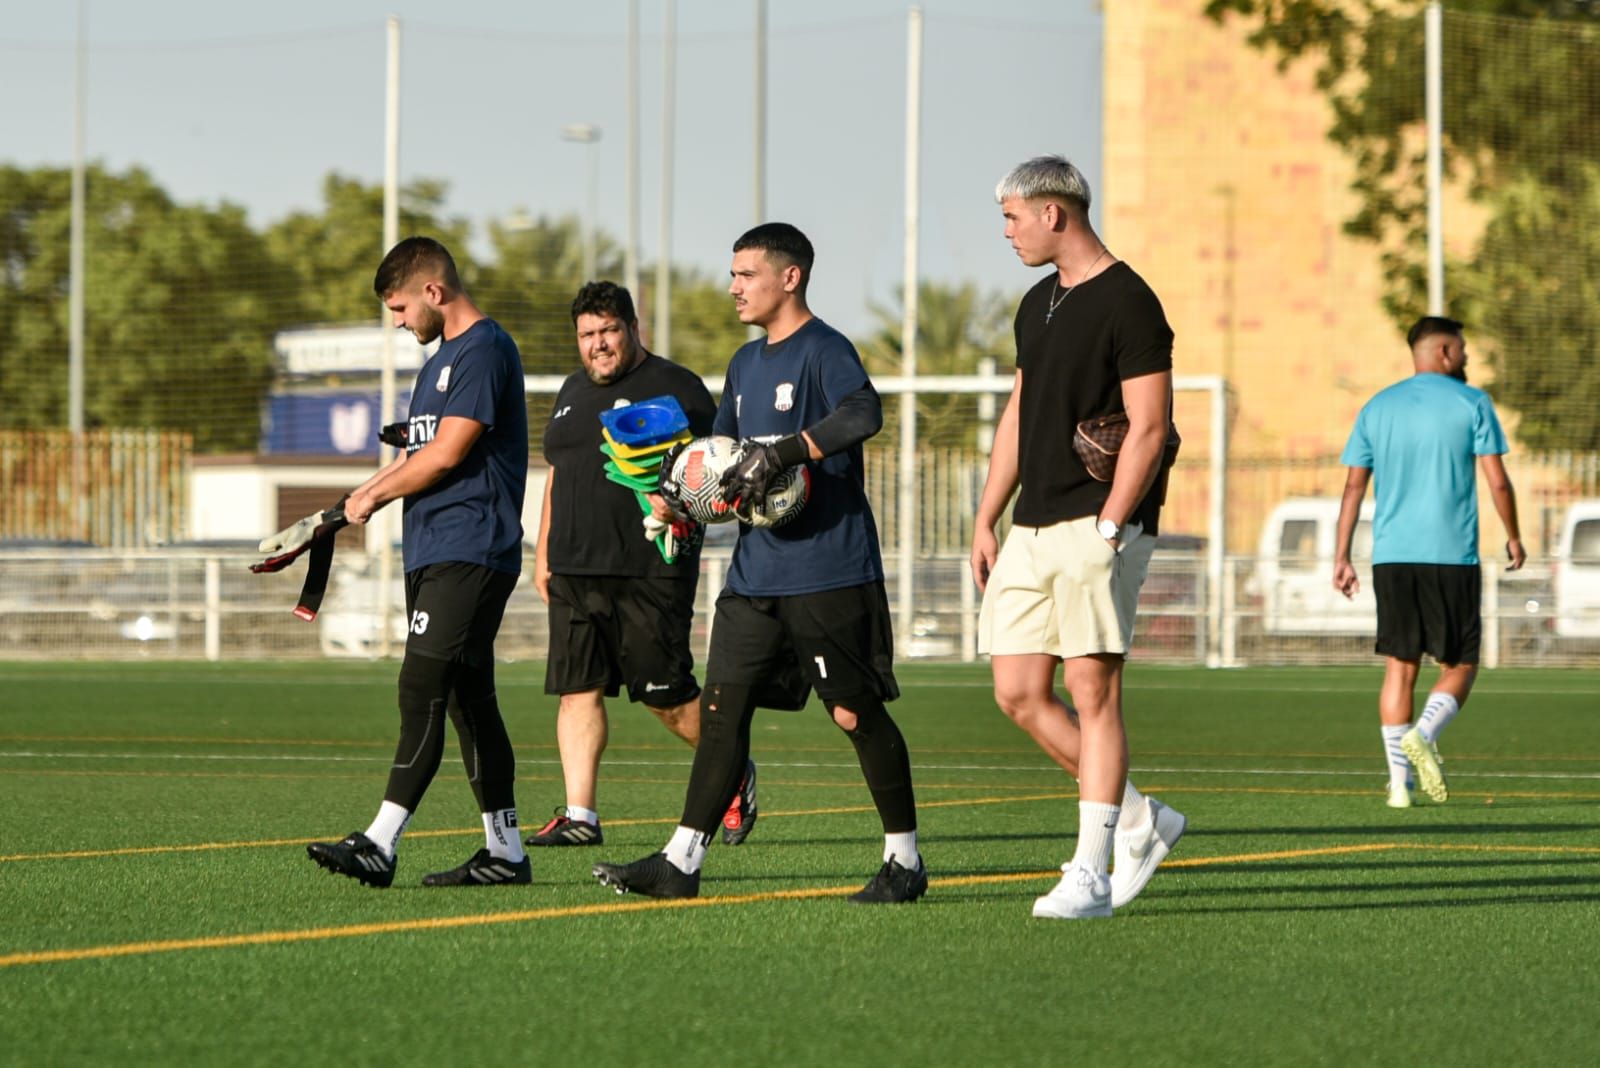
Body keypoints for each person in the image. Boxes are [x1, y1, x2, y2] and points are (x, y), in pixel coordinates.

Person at [590, 222, 926, 903]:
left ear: (789, 277)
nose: (733, 285)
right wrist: (678, 504)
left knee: (854, 713)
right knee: (721, 711)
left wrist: (785, 452)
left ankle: (905, 862)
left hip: (829, 570)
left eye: (746, 274)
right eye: (733, 273)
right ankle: (681, 861)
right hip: (755, 574)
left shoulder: (825, 350)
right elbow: (723, 466)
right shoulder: (744, 365)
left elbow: (864, 414)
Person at [971, 155, 1187, 921]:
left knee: (1093, 693)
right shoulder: (1037, 305)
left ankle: (1090, 872)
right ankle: (1139, 819)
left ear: (1053, 213)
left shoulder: (1130, 301)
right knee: (1019, 692)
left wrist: (1111, 522)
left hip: (1098, 523)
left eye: (1012, 217)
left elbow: (1151, 426)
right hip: (1032, 523)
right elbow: (1018, 414)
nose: (1007, 232)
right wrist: (986, 515)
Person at [306, 236, 531, 888]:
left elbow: (447, 453)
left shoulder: (486, 349)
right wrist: (363, 493)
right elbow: (417, 454)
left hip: (472, 547)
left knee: (420, 686)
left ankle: (380, 842)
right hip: (433, 549)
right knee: (468, 700)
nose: (400, 321)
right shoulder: (440, 364)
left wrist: (373, 494)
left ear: (434, 291)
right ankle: (506, 853)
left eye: (401, 308)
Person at [529, 280, 757, 849]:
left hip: (650, 570)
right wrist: (542, 553)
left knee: (667, 697)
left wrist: (678, 501)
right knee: (577, 690)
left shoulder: (679, 388)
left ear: (633, 328)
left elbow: (719, 471)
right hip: (574, 570)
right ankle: (581, 816)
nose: (598, 344)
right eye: (587, 335)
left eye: (608, 331)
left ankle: (734, 768)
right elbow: (558, 474)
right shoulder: (569, 391)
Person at [1334, 315, 1524, 808]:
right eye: (1461, 349)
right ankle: (1424, 731)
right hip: (1452, 557)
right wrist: (1514, 537)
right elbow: (1497, 481)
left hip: (1392, 558)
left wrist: (1341, 556)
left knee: (1400, 667)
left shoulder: (1377, 407)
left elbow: (1354, 488)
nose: (1465, 358)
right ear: (1443, 352)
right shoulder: (1473, 402)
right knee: (1462, 663)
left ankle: (1399, 786)